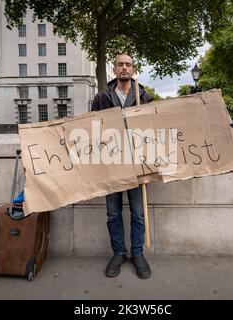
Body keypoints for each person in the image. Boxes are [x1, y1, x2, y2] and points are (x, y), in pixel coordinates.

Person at [91, 53, 153, 279]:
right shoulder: (101, 98)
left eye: (128, 64)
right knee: (113, 213)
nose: (124, 68)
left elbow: (153, 132)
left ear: (133, 69)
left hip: (137, 166)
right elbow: (92, 131)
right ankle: (118, 252)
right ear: (114, 69)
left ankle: (137, 253)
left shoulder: (144, 97)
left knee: (138, 213)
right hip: (111, 164)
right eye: (120, 65)